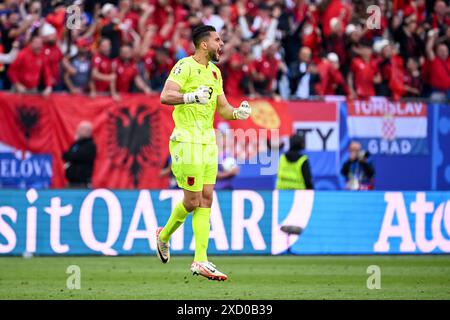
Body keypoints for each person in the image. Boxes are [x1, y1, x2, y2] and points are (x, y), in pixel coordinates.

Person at [157, 25, 251, 281]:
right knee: (192, 201)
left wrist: (237, 113)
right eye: (218, 40)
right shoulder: (184, 66)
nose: (222, 44)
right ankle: (163, 236)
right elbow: (166, 96)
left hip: (208, 142)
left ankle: (201, 260)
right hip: (186, 140)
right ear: (204, 44)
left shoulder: (215, 73)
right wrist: (190, 98)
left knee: (207, 198)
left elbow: (223, 107)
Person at [62, 121, 97, 188]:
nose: (78, 131)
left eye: (81, 129)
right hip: (71, 182)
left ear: (88, 131)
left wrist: (71, 156)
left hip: (82, 183)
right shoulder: (75, 144)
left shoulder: (90, 145)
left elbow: (80, 156)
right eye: (79, 129)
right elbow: (66, 155)